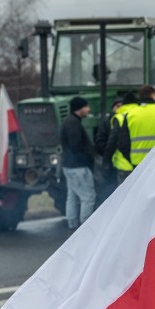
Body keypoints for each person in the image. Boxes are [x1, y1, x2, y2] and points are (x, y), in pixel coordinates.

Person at [59, 96, 96, 230]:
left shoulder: (69, 121)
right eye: (86, 106)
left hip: (69, 166)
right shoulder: (73, 124)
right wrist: (87, 157)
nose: (88, 109)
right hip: (78, 167)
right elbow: (76, 145)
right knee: (88, 197)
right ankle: (86, 228)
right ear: (79, 108)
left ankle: (73, 226)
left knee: (73, 196)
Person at [93, 96, 123, 204]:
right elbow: (99, 143)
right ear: (113, 108)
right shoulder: (107, 123)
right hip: (112, 165)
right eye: (118, 106)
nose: (120, 109)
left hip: (120, 164)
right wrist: (108, 155)